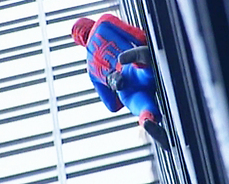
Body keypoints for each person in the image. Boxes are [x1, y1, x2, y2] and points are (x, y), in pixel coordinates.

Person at [71, 13, 170, 151]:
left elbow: (112, 105)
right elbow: (140, 37)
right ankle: (138, 61)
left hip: (125, 92)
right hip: (129, 68)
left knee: (143, 107)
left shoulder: (90, 69)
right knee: (146, 72)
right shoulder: (103, 23)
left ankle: (147, 120)